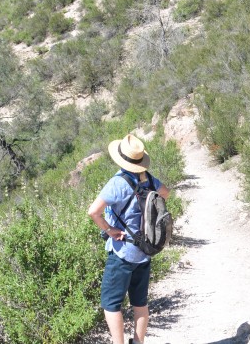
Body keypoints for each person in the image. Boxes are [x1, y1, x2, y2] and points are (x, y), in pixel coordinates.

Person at [87, 133, 170, 344]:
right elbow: (165, 193)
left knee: (111, 304)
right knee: (140, 303)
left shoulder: (118, 182)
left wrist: (109, 229)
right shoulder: (149, 179)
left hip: (122, 252)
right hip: (144, 250)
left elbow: (93, 212)